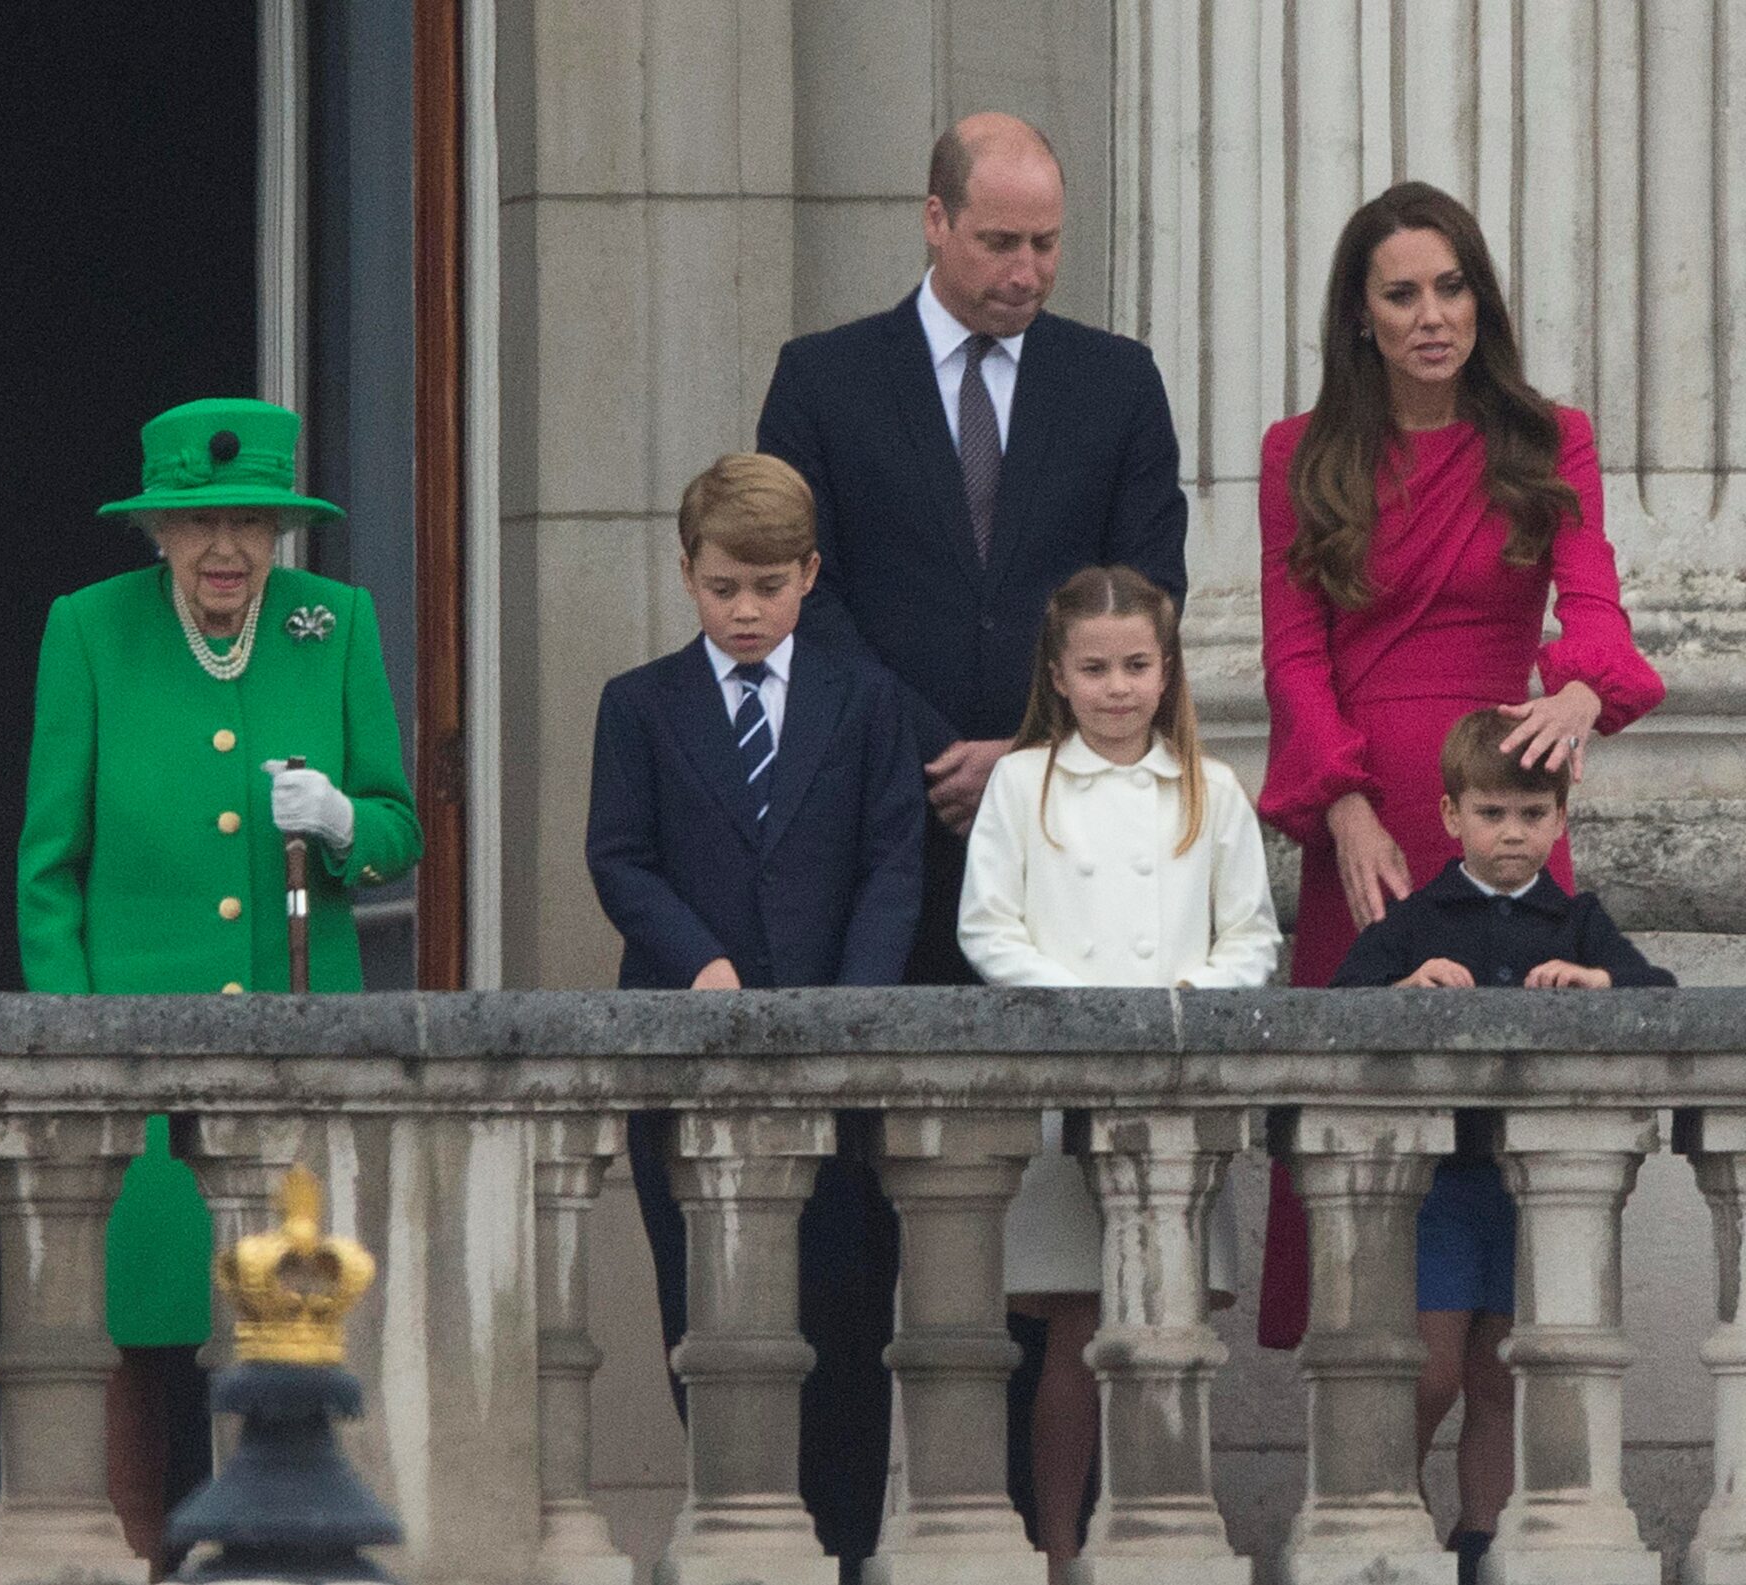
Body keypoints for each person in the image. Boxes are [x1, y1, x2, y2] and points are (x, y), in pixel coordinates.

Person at [1254, 182, 1666, 1376]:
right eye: (1402, 293)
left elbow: (1592, 600)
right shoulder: (1299, 452)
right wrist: (1340, 810)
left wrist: (1585, 685)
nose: (1432, 315)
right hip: (1368, 821)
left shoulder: (1549, 437)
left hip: (1508, 804)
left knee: (1515, 1129)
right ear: (1361, 315)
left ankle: (1487, 1506)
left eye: (1452, 287)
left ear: (1479, 300)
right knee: (1367, 1128)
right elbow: (1291, 652)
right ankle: (1364, 1463)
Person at [18, 396, 422, 1560]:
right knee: (139, 1340)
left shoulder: (332, 622)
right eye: (199, 524)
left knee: (294, 1347)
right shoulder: (89, 630)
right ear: (156, 531)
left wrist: (346, 819)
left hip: (299, 1056)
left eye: (251, 521)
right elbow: (51, 867)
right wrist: (74, 1043)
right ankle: (141, 1553)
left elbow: (399, 829)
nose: (227, 549)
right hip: (135, 1073)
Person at [585, 452, 923, 1581]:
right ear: (687, 573)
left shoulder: (865, 699)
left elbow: (890, 861)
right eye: (725, 585)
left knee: (839, 1309)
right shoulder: (636, 704)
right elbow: (620, 859)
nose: (745, 609)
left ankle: (841, 1545)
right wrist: (704, 964)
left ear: (809, 576)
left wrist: (846, 1007)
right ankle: (740, 1537)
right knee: (708, 1313)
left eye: (769, 586)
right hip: (687, 1057)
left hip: (833, 1065)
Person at [756, 110, 1187, 987]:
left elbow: (1147, 586)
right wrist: (938, 752)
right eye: (998, 242)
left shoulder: (1119, 383)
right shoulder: (823, 381)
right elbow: (801, 591)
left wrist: (1031, 750)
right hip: (875, 814)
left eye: (1045, 242)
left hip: (1071, 820)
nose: (1026, 272)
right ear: (934, 220)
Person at [956, 565, 1275, 1578]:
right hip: (1061, 1094)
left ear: (1167, 667)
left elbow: (1250, 940)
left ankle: (1158, 1531)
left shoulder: (1209, 789)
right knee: (1074, 1329)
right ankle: (1058, 1543)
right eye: (1093, 668)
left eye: (1136, 664)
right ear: (1057, 674)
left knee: (1165, 1324)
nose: (1116, 686)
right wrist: (1080, 1017)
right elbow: (987, 927)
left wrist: (1178, 1008)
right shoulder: (1022, 781)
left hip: (1173, 1097)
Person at [1332, 708, 1674, 1583]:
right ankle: (1391, 1503)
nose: (1513, 832)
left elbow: (1656, 993)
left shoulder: (1577, 918)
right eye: (1492, 813)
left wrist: (1597, 980)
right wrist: (1405, 986)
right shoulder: (1418, 916)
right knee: (1431, 1369)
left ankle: (1481, 1538)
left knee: (1500, 1378)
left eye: (1531, 813)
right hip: (1441, 1181)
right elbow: (1336, 1003)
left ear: (1559, 820)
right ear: (1451, 817)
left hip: (1537, 1187)